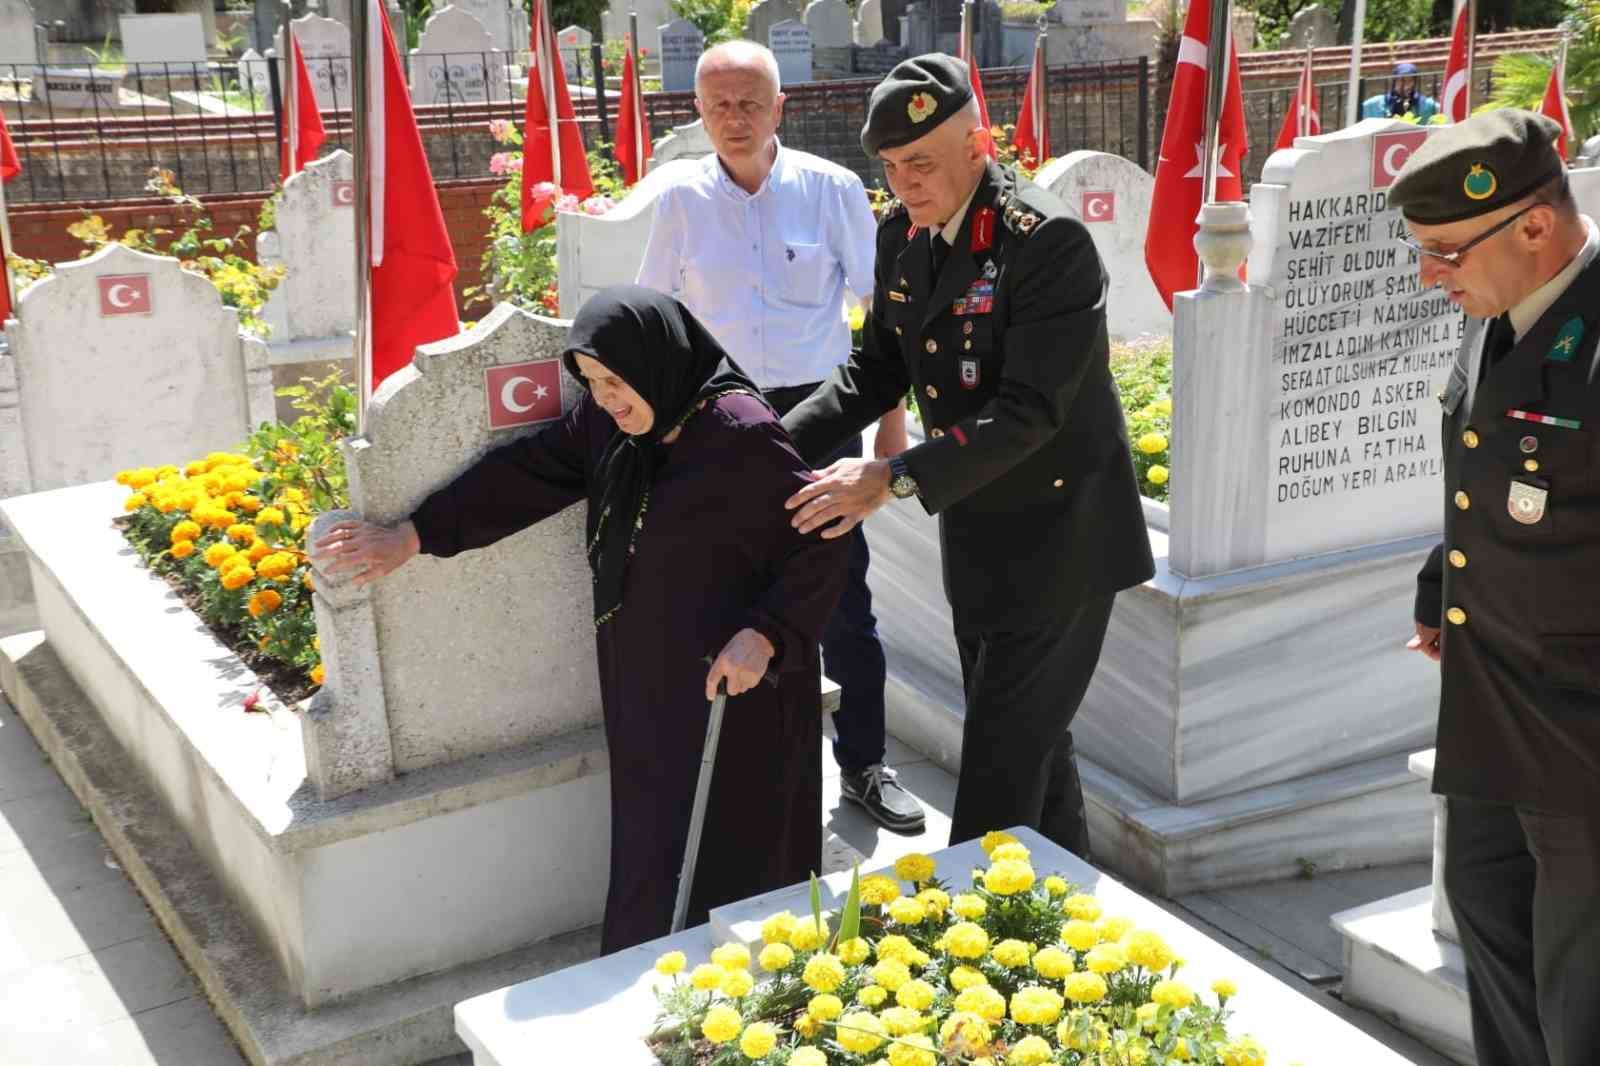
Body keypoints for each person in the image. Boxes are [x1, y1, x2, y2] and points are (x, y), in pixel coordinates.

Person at [312, 286, 849, 954]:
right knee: (656, 839)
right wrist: (415, 536)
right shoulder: (611, 427)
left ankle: (745, 997)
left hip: (737, 686)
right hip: (649, 673)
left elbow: (823, 539)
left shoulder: (740, 433)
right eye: (592, 383)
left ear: (659, 364)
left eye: (616, 383)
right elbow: (525, 476)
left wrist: (766, 632)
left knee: (733, 841)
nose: (605, 399)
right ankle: (650, 981)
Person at [779, 55, 1154, 856]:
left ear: (977, 143)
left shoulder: (1042, 242)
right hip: (979, 536)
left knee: (993, 782)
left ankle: (971, 955)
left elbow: (1031, 412)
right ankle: (1070, 914)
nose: (905, 183)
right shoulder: (901, 235)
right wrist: (767, 448)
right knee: (1033, 752)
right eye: (889, 166)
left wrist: (892, 476)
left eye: (921, 162)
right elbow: (874, 368)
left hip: (1063, 542)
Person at [635, 40, 926, 834]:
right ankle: (751, 768)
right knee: (726, 592)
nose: (733, 119)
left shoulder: (830, 191)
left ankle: (863, 763)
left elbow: (884, 319)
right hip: (721, 418)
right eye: (718, 104)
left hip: (824, 412)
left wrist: (888, 438)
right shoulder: (679, 202)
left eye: (749, 103)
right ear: (697, 110)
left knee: (844, 599)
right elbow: (655, 322)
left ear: (779, 108)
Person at [1392, 109, 1600, 1066]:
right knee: (1491, 937)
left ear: (1533, 226)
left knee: (1581, 992)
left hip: (1582, 732)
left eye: (1445, 253)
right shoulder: (1498, 312)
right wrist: (1446, 589)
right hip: (1488, 701)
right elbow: (1485, 471)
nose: (1433, 278)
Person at [1361, 61, 1440, 121]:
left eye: (1409, 81)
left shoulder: (1426, 105)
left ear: (1415, 82)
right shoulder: (1376, 104)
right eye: (1401, 80)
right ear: (1394, 81)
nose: (1405, 85)